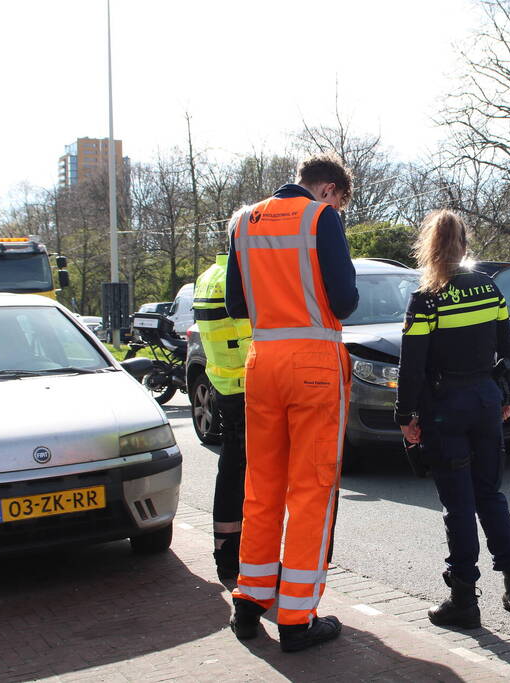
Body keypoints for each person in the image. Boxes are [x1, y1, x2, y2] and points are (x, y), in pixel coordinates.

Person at [224, 154, 358, 653]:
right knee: (311, 488)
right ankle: (298, 617)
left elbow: (237, 305)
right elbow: (344, 302)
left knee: (262, 484)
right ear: (328, 190)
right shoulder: (321, 220)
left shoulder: (245, 221)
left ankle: (249, 601)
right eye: (341, 201)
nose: (339, 209)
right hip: (314, 363)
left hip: (263, 361)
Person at [395, 209, 510, 629]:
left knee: (459, 506)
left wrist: (405, 416)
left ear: (430, 247)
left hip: (445, 405)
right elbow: (507, 347)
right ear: (465, 244)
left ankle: (464, 601)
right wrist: (503, 394)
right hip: (486, 400)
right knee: (490, 494)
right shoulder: (489, 289)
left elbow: (411, 366)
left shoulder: (426, 299)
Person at [192, 254, 251, 582]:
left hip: (224, 383)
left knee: (230, 468)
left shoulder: (209, 274)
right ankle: (240, 558)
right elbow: (252, 337)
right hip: (248, 384)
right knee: (249, 475)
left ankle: (225, 553)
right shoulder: (242, 276)